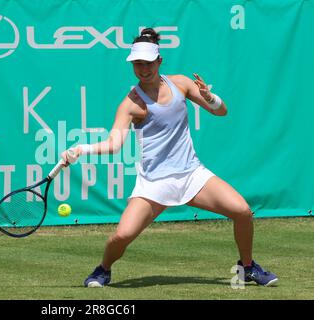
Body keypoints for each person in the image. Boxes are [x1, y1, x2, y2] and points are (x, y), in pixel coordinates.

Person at [61, 28, 278, 288]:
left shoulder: (182, 84)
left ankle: (247, 268)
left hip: (191, 174)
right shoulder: (131, 103)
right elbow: (113, 144)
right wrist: (81, 149)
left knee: (242, 211)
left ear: (159, 61)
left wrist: (210, 97)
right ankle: (102, 270)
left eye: (148, 63)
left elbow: (221, 112)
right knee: (121, 236)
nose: (143, 69)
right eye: (137, 64)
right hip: (154, 182)